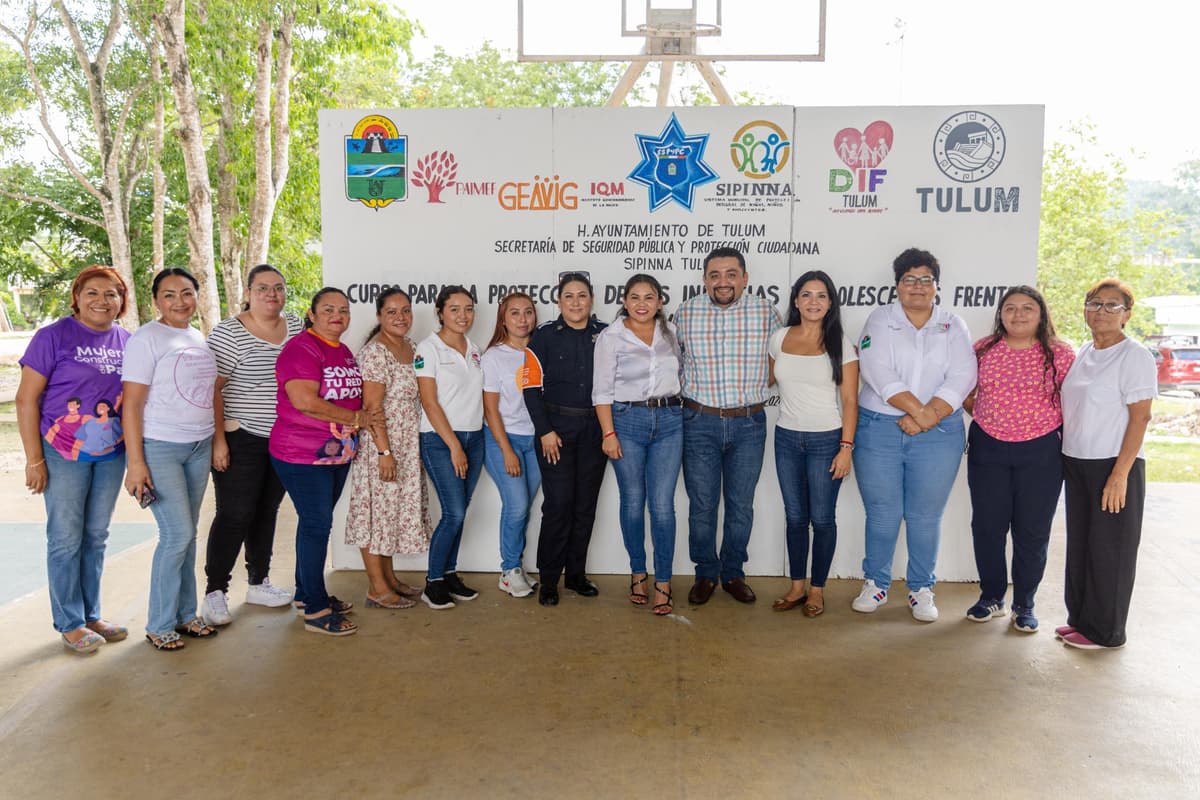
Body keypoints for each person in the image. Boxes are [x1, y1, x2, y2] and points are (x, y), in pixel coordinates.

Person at [851, 248, 977, 623]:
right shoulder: (880, 319)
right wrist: (920, 413)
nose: (918, 286)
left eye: (926, 279)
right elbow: (876, 369)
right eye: (909, 279)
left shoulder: (953, 324)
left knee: (925, 515)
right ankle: (875, 583)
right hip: (880, 429)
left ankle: (921, 588)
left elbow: (964, 374)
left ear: (937, 286)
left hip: (939, 432)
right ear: (897, 285)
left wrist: (928, 416)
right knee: (883, 513)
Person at [17, 266, 132, 654]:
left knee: (96, 536)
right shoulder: (53, 336)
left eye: (112, 294)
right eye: (92, 292)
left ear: (122, 301)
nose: (102, 300)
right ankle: (70, 623)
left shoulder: (127, 341)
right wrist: (35, 460)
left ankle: (91, 615)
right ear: (77, 297)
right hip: (63, 452)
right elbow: (26, 399)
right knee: (66, 537)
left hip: (111, 453)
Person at [962, 286, 1074, 633]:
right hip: (988, 448)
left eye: (1028, 308)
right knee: (987, 527)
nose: (1018, 314)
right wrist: (991, 418)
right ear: (1001, 314)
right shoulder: (983, 349)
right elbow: (964, 393)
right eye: (1010, 308)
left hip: (1041, 452)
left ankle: (1024, 603)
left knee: (1032, 531)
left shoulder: (1060, 354)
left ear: (1041, 315)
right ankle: (991, 597)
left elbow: (1073, 401)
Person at [674, 247, 782, 606]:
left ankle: (733, 572)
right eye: (715, 275)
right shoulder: (686, 313)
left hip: (748, 423)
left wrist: (755, 390)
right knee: (702, 505)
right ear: (704, 280)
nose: (723, 282)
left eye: (731, 274)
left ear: (745, 278)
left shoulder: (766, 313)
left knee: (740, 505)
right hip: (698, 422)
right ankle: (706, 573)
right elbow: (674, 364)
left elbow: (782, 361)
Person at [270, 287, 381, 637]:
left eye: (343, 310)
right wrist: (358, 419)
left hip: (336, 454)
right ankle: (317, 611)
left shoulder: (342, 350)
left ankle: (306, 595)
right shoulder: (301, 348)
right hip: (302, 454)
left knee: (313, 524)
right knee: (317, 526)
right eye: (329, 309)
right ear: (312, 314)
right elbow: (305, 401)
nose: (337, 316)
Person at [200, 264, 304, 627]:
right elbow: (212, 389)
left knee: (266, 511)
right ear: (248, 293)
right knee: (235, 513)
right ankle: (215, 591)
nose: (272, 294)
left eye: (278, 287)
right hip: (241, 436)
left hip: (284, 438)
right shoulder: (228, 334)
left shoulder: (296, 326)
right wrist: (219, 441)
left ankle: (259, 582)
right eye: (263, 288)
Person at [122, 268, 221, 651]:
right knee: (176, 534)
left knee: (188, 534)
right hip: (160, 447)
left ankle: (185, 615)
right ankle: (159, 623)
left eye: (186, 293)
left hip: (198, 446)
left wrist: (215, 441)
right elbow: (132, 405)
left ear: (197, 295)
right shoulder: (147, 339)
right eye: (169, 294)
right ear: (156, 301)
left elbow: (207, 392)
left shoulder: (197, 336)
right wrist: (136, 463)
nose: (179, 301)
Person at [1057, 278, 1155, 650]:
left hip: (1113, 464)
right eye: (1095, 303)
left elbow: (1140, 418)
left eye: (1112, 305)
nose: (1102, 311)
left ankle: (1106, 632)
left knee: (1110, 549)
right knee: (1082, 544)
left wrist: (1119, 475)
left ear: (1126, 314)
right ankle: (1081, 620)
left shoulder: (1135, 356)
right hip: (1077, 461)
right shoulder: (1085, 350)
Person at [769, 271, 859, 618]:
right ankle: (796, 587)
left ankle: (817, 590)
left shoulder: (842, 344)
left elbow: (850, 401)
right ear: (796, 300)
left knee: (822, 519)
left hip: (826, 440)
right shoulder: (779, 338)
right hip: (786, 438)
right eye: (806, 294)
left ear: (830, 302)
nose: (813, 302)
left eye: (821, 296)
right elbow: (768, 379)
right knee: (795, 518)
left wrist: (846, 447)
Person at [593, 274, 682, 616]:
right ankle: (638, 573)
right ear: (624, 301)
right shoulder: (611, 337)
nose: (642, 304)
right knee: (633, 502)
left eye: (649, 297)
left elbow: (681, 374)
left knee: (662, 506)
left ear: (660, 301)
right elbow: (601, 390)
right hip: (626, 422)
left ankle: (664, 582)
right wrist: (609, 433)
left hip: (670, 421)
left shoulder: (671, 332)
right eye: (635, 297)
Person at [523, 272, 608, 606]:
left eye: (582, 295)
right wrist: (544, 430)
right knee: (558, 506)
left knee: (585, 507)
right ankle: (549, 580)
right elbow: (531, 388)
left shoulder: (605, 335)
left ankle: (575, 575)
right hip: (555, 432)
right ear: (558, 301)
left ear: (591, 300)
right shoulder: (543, 336)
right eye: (569, 296)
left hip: (594, 431)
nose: (576, 302)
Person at [345, 288, 430, 609]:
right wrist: (384, 452)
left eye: (405, 310)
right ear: (379, 316)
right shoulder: (375, 353)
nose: (400, 317)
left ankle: (390, 579)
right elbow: (372, 407)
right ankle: (377, 588)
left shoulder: (411, 346)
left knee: (390, 513)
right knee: (376, 515)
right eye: (392, 312)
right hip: (382, 445)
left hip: (407, 444)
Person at [415, 285, 485, 610]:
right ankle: (433, 582)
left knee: (460, 512)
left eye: (468, 308)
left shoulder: (474, 348)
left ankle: (449, 573)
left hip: (475, 438)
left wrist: (468, 442)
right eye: (454, 309)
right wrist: (454, 445)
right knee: (453, 513)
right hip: (441, 440)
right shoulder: (428, 349)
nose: (462, 315)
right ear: (440, 312)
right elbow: (429, 403)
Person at [482, 292, 542, 598]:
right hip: (503, 439)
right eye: (514, 313)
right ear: (503, 319)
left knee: (524, 508)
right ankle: (509, 570)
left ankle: (516, 565)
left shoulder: (540, 351)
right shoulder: (494, 356)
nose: (522, 319)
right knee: (516, 505)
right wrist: (506, 449)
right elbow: (490, 408)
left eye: (528, 312)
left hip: (536, 440)